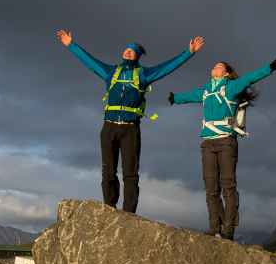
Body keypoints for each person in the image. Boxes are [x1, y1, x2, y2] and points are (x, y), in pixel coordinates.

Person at [55, 29, 205, 211]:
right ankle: (110, 207)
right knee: (108, 171)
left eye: (131, 50)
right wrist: (71, 45)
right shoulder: (110, 72)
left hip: (130, 129)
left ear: (137, 56)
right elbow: (89, 61)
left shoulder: (144, 74)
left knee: (130, 173)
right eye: (126, 49)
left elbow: (168, 67)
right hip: (109, 127)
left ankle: (129, 212)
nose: (127, 51)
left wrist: (188, 53)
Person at [168, 55, 276, 240]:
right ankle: (214, 228)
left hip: (226, 141)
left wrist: (270, 67)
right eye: (213, 66)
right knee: (211, 188)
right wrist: (174, 98)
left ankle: (228, 230)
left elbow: (250, 78)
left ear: (226, 73)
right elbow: (188, 96)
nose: (214, 68)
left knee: (228, 186)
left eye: (219, 66)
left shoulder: (232, 87)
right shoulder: (205, 91)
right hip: (207, 143)